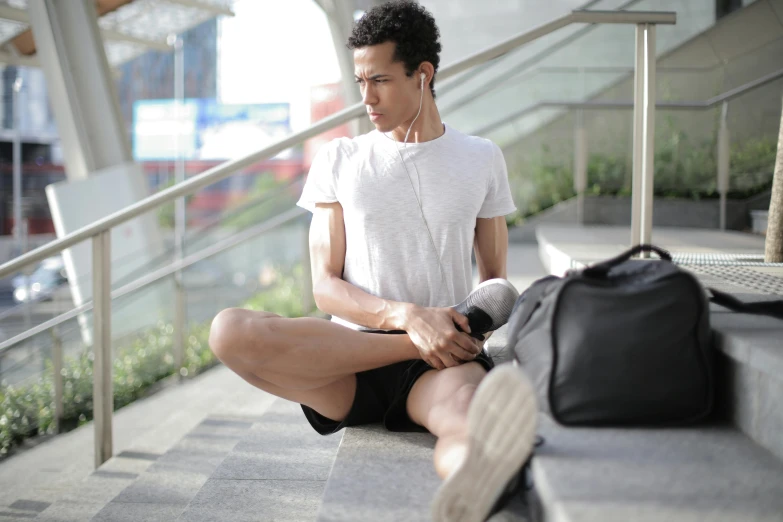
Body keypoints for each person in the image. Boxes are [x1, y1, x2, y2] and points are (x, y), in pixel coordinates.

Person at [208, 2, 537, 520]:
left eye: (380, 79)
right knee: (229, 332)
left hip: (441, 366)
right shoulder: (341, 160)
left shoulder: (481, 158)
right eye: (361, 80)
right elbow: (325, 287)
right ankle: (420, 345)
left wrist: (457, 332)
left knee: (474, 427)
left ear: (423, 74)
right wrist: (412, 321)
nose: (366, 97)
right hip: (351, 358)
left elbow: (493, 282)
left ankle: (474, 487)